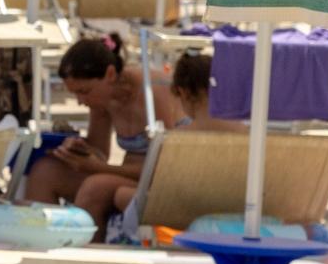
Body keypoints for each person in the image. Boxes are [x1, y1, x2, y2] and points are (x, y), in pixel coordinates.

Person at [73, 52, 239, 240]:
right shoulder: (247, 133)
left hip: (188, 209)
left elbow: (165, 184)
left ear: (182, 93)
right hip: (233, 206)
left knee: (121, 195)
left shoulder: (176, 138)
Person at [24, 33, 181, 208]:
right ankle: (39, 233)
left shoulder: (154, 93)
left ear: (110, 74)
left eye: (84, 91)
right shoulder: (103, 99)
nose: (80, 101)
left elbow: (166, 168)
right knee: (44, 172)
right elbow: (100, 152)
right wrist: (80, 149)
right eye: (75, 93)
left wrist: (96, 167)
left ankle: (87, 236)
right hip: (129, 177)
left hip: (165, 182)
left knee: (95, 187)